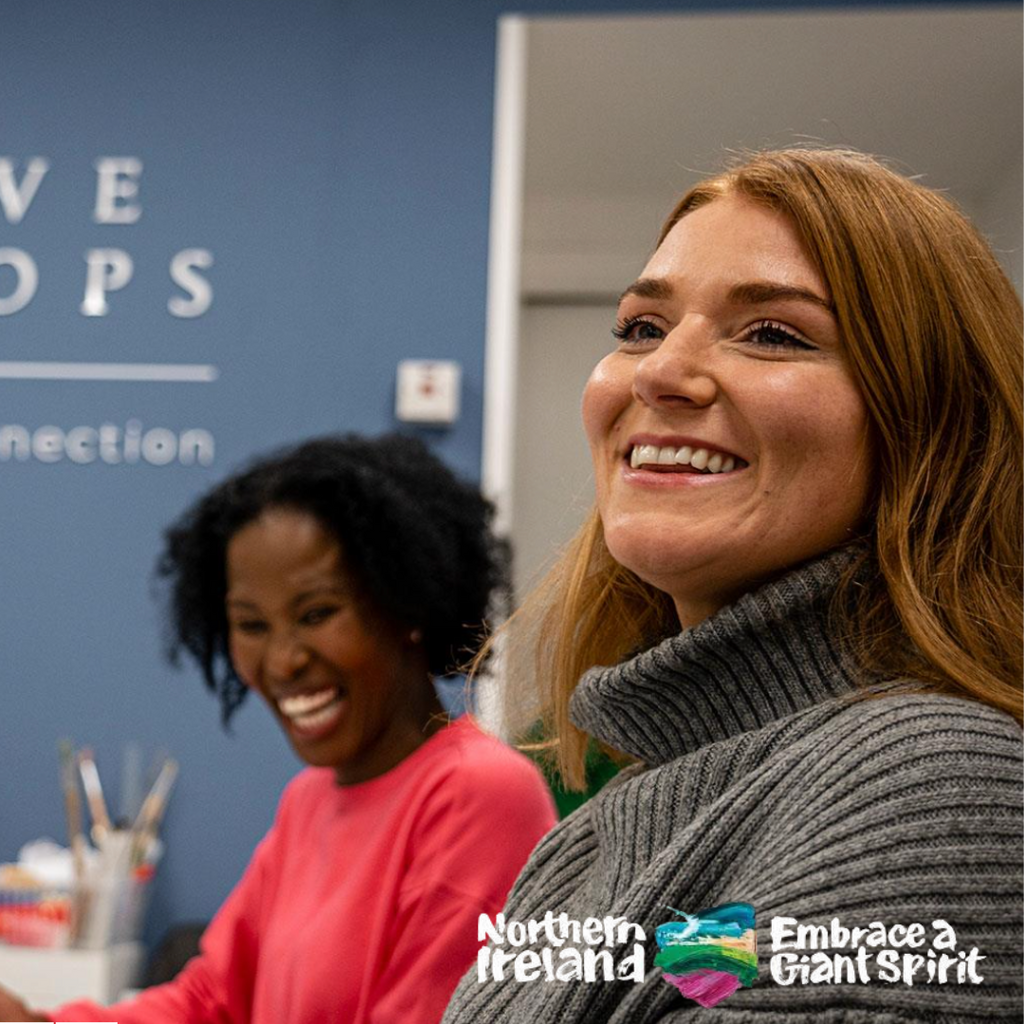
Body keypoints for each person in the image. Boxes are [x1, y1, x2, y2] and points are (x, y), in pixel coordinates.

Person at [442, 148, 1023, 1023]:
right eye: (641, 326)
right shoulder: (587, 842)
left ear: (930, 423)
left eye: (774, 334)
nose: (658, 372)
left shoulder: (937, 783)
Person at [0, 433, 556, 1023]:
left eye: (317, 614)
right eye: (251, 625)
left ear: (408, 605)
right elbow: (211, 1000)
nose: (282, 660)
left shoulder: (481, 795)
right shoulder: (310, 800)